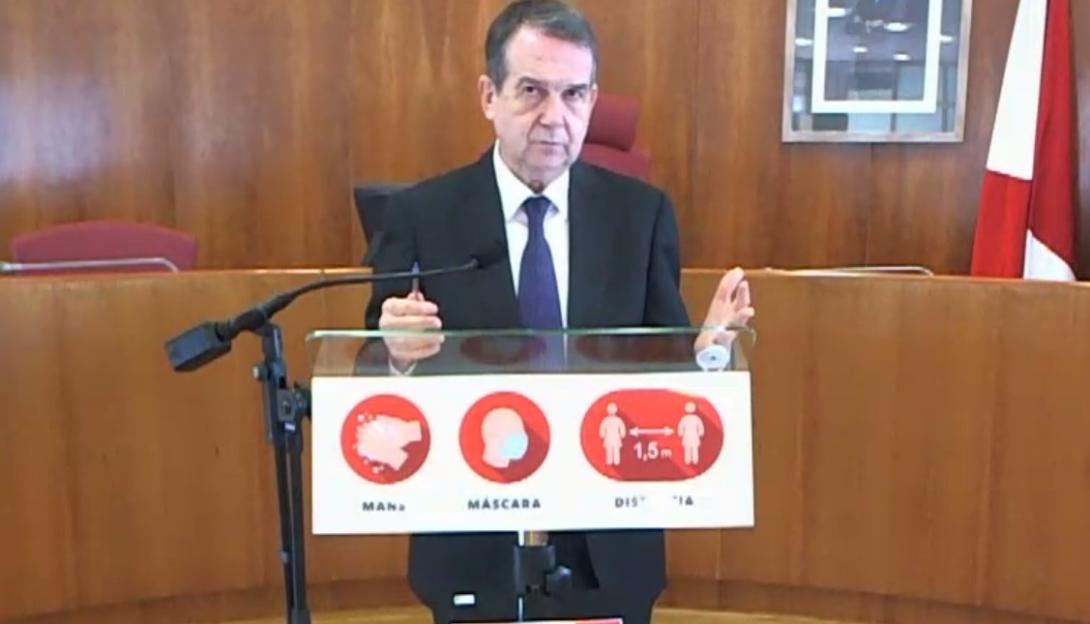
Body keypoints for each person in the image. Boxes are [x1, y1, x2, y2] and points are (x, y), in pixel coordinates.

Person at [363, 1, 755, 622]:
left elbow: (659, 372)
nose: (555, 117)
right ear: (489, 96)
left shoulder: (640, 216)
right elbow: (369, 366)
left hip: (606, 538)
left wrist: (703, 354)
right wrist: (396, 356)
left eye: (574, 95)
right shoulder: (423, 216)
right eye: (532, 92)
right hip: (473, 533)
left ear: (592, 100)